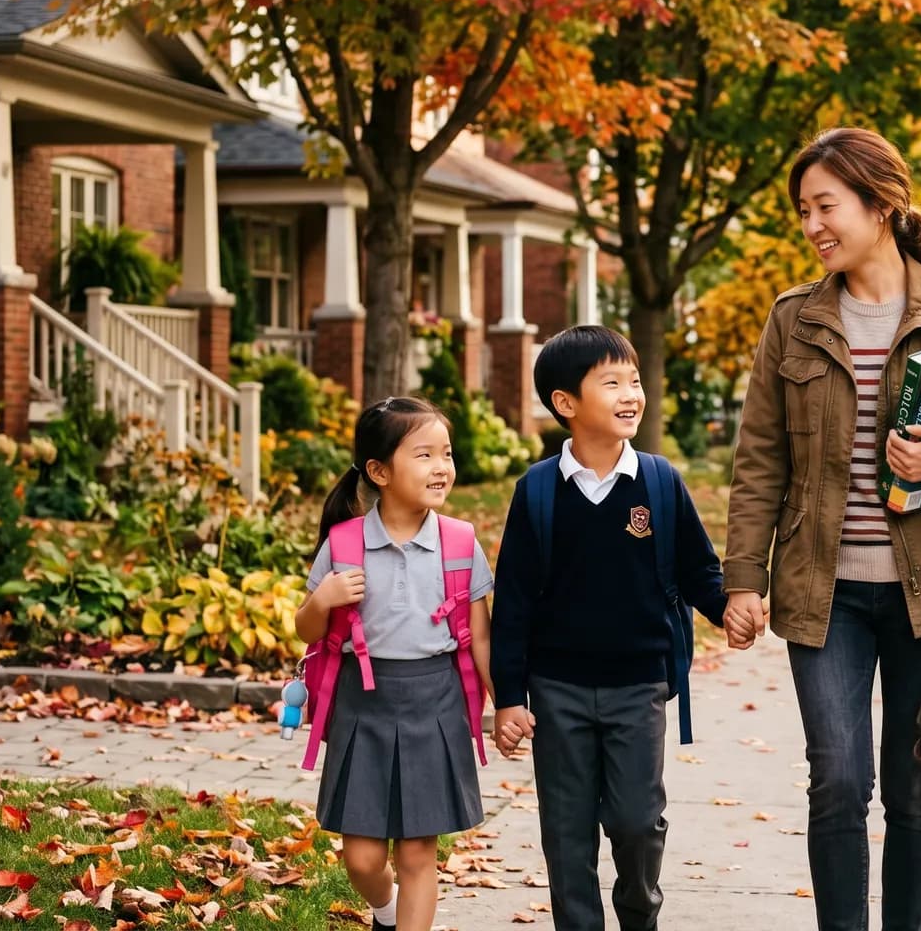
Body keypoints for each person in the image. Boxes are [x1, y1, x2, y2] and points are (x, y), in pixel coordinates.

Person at [724, 127, 921, 930]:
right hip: (823, 595)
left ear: (880, 204)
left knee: (913, 785)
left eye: (825, 206)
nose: (812, 225)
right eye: (803, 210)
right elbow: (759, 460)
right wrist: (744, 580)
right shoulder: (793, 320)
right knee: (835, 777)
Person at [490, 325, 765, 931]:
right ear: (566, 403)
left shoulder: (659, 482)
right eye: (611, 382)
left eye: (634, 381)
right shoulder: (537, 492)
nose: (630, 394)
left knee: (638, 821)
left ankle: (640, 916)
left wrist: (728, 610)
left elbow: (698, 572)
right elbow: (511, 605)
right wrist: (508, 699)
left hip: (639, 685)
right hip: (556, 688)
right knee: (566, 831)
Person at [294, 396, 495, 931]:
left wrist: (509, 705)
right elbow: (306, 630)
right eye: (424, 455)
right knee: (361, 857)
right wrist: (325, 599)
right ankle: (384, 911)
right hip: (364, 704)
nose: (441, 467)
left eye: (445, 454)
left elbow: (478, 636)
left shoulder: (459, 541)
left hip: (435, 703)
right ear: (379, 471)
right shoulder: (344, 544)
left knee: (416, 855)